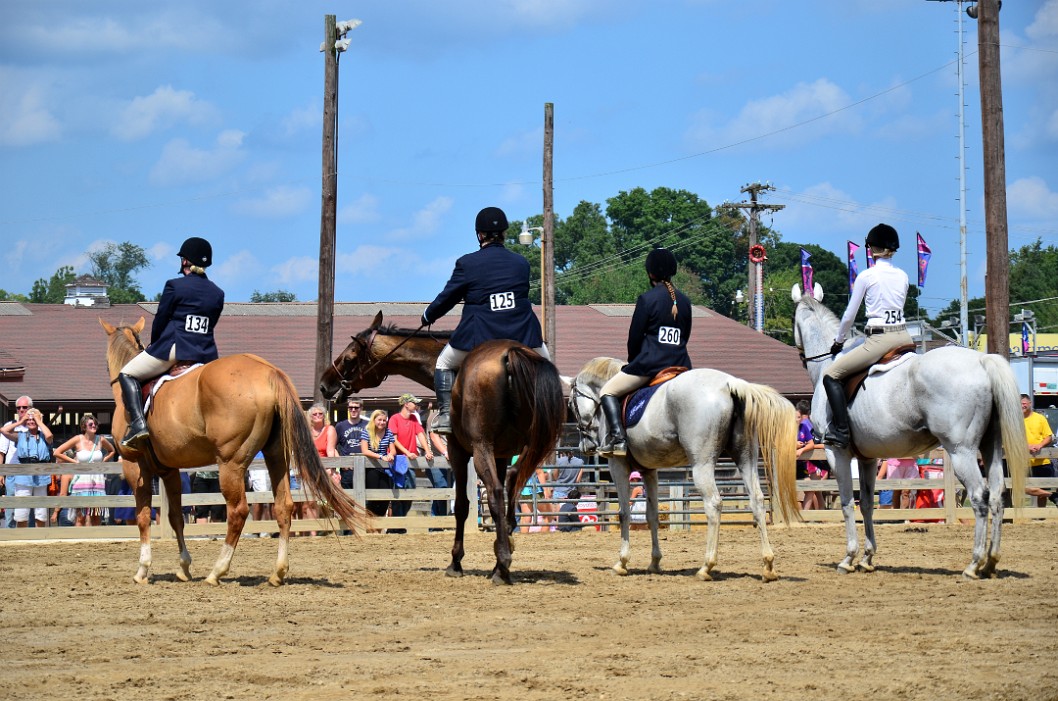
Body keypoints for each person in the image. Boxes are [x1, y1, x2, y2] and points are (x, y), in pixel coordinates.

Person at [421, 206, 551, 434]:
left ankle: (445, 417)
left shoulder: (467, 263)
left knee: (444, 363)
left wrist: (428, 316)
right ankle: (550, 413)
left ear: (479, 235)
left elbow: (447, 298)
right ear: (504, 233)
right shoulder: (521, 263)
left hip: (481, 334)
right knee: (547, 368)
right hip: (522, 334)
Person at [116, 236, 224, 450]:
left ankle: (138, 425)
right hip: (206, 353)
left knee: (126, 374)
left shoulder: (175, 286)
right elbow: (210, 323)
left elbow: (161, 319)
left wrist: (154, 345)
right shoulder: (217, 293)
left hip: (176, 347)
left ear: (185, 261)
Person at [822, 224, 912, 449]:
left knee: (831, 375)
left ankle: (841, 431)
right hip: (905, 338)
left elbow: (848, 316)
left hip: (879, 340)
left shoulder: (867, 276)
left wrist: (839, 341)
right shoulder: (903, 276)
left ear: (871, 248)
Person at [598, 247, 692, 457]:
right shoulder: (685, 302)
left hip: (650, 366)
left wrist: (633, 362)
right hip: (681, 365)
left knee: (607, 391)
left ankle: (618, 439)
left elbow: (634, 338)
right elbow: (685, 336)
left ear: (650, 273)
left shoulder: (647, 299)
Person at [52, 414, 114, 527]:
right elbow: (57, 452)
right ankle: (78, 542)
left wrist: (103, 461)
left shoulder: (100, 439)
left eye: (95, 423)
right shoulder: (78, 439)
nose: (94, 425)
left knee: (96, 515)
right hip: (81, 480)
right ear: (84, 426)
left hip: (97, 480)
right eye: (91, 424)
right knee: (80, 516)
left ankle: (96, 541)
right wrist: (74, 462)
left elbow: (112, 450)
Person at [1, 406, 54, 528]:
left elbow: (50, 436)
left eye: (33, 419)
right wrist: (21, 421)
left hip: (41, 476)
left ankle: (40, 537)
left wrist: (38, 420)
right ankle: (22, 538)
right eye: (29, 420)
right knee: (21, 511)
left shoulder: (43, 436)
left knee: (41, 511)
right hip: (23, 476)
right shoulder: (20, 436)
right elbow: (4, 430)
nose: (31, 421)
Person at [388, 394, 433, 528]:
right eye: (414, 403)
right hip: (397, 460)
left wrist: (428, 450)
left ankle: (401, 523)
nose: (417, 405)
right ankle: (397, 525)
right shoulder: (394, 419)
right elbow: (393, 439)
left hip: (410, 461)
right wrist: (407, 452)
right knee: (398, 492)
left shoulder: (414, 418)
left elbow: (420, 434)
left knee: (410, 491)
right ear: (406, 404)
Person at [359, 409, 397, 523]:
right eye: (379, 420)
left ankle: (379, 524)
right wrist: (381, 456)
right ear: (374, 420)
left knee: (385, 497)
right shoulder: (366, 431)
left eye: (384, 420)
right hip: (371, 468)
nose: (382, 422)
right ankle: (370, 523)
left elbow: (393, 449)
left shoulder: (388, 432)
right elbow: (365, 450)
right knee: (373, 497)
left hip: (385, 469)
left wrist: (391, 454)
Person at [1021, 394, 1056, 508]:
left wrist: (1040, 445)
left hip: (1042, 461)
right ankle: (1053, 495)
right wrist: (1027, 447)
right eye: (1020, 404)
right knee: (1023, 487)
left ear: (1030, 403)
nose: (1023, 406)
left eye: (1025, 403)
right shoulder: (1015, 420)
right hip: (1024, 463)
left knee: (1041, 494)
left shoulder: (1040, 418)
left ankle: (1040, 519)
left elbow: (1049, 436)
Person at [795, 400, 826, 510]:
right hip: (808, 462)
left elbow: (816, 444)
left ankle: (818, 516)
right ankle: (818, 516)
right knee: (815, 491)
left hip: (813, 461)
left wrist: (803, 448)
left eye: (798, 416)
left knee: (814, 490)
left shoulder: (806, 425)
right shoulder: (809, 424)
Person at [335, 396, 368, 490]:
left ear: (361, 408)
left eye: (356, 407)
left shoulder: (368, 425)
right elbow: (333, 447)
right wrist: (342, 463)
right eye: (350, 408)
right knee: (349, 499)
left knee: (365, 497)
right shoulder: (340, 426)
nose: (353, 410)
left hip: (365, 466)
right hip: (347, 468)